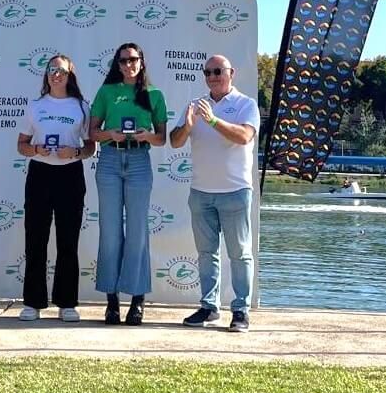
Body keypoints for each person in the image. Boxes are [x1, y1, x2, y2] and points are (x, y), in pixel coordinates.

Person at [170, 55, 259, 333]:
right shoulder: (195, 106)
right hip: (201, 192)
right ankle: (209, 307)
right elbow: (174, 141)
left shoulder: (246, 104)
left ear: (231, 73)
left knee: (240, 254)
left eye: (218, 71)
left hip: (235, 191)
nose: (212, 76)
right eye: (208, 72)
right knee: (206, 253)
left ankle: (241, 310)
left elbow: (244, 137)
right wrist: (187, 124)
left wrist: (212, 120)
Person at [89, 42, 167, 326]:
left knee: (138, 232)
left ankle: (137, 300)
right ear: (117, 64)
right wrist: (111, 132)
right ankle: (111, 302)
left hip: (139, 162)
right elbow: (93, 133)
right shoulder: (106, 91)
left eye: (133, 60)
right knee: (110, 233)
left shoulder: (154, 94)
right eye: (122, 61)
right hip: (110, 160)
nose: (128, 65)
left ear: (142, 62)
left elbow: (162, 138)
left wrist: (145, 135)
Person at [16, 54, 95, 322]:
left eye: (60, 70)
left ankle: (67, 302)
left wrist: (73, 152)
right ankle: (32, 302)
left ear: (70, 75)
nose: (55, 74)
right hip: (40, 173)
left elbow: (90, 147)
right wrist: (36, 149)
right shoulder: (35, 105)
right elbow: (21, 144)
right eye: (51, 70)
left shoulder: (81, 106)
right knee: (35, 239)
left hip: (70, 175)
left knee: (68, 240)